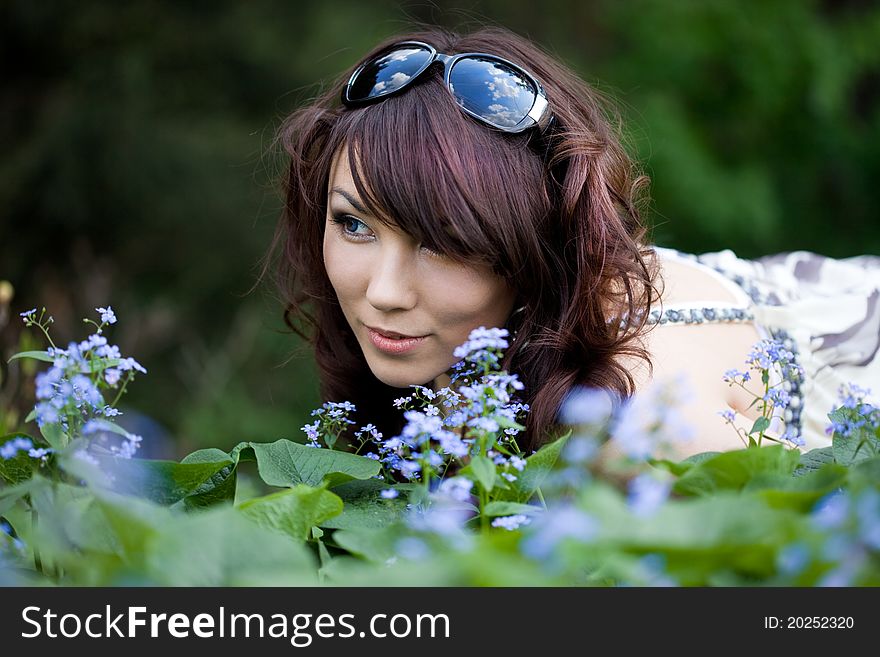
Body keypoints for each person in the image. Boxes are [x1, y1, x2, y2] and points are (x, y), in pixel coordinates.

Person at [265, 25, 880, 461]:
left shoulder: (637, 428)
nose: (384, 291)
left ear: (543, 249)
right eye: (354, 225)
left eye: (444, 244)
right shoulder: (491, 342)